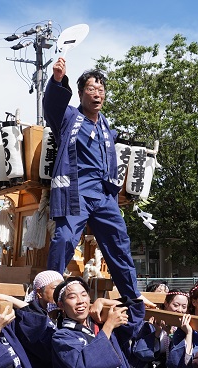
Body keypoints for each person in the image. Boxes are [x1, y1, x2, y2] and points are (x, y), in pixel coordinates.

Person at [42, 58, 146, 318]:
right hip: (76, 192)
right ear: (80, 93)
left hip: (103, 195)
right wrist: (57, 81)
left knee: (119, 242)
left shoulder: (105, 124)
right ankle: (49, 292)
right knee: (64, 238)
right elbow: (52, 106)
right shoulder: (69, 117)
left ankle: (132, 297)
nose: (97, 93)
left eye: (101, 90)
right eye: (91, 88)